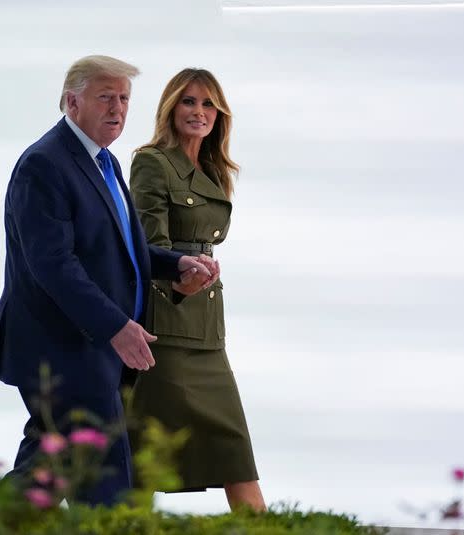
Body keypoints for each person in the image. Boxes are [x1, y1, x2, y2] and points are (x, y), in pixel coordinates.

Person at [0, 56, 217, 506]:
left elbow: (119, 250)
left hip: (92, 347)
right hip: (63, 346)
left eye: (125, 98)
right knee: (104, 476)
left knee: (54, 463)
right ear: (72, 102)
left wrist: (176, 265)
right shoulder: (44, 164)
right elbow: (53, 264)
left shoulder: (104, 162)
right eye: (105, 97)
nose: (118, 108)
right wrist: (114, 325)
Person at [128, 68, 266, 512]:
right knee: (147, 450)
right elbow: (148, 247)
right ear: (171, 107)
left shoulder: (215, 169)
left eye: (208, 104)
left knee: (234, 449)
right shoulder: (152, 161)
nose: (199, 112)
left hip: (206, 328)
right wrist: (183, 279)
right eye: (189, 101)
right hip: (166, 322)